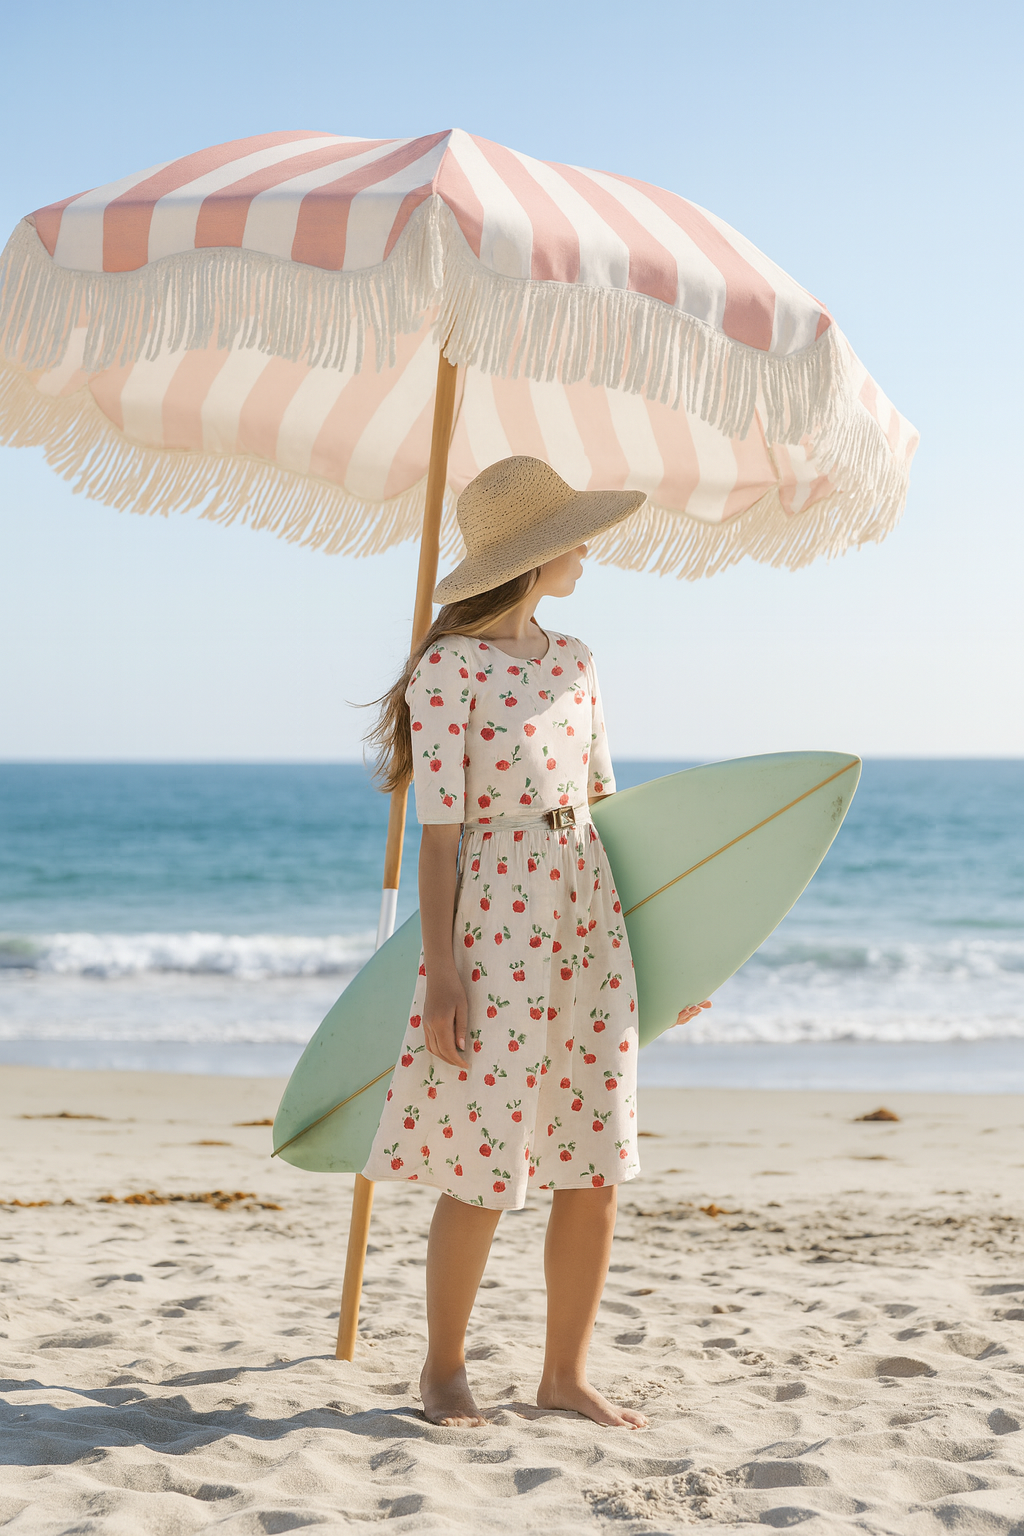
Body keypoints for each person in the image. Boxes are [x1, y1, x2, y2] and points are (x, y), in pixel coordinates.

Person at [363, 456, 710, 1429]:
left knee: (595, 1158)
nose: (588, 548)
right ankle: (442, 1371)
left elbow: (612, 815)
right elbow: (439, 838)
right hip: (495, 917)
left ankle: (563, 1375)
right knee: (482, 1159)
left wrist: (674, 959)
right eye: (573, 534)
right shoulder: (446, 672)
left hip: (588, 906)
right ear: (532, 554)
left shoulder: (577, 662)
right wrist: (440, 977)